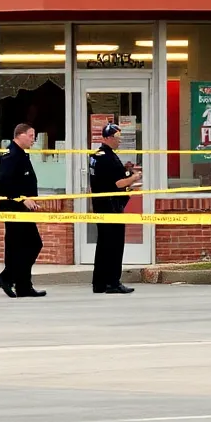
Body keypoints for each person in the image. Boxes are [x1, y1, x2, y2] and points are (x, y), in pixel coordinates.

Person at [0, 123, 46, 298]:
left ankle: (23, 285)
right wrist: (23, 198)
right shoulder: (12, 153)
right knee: (32, 244)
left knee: (21, 246)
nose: (34, 139)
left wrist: (30, 199)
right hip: (14, 207)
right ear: (20, 135)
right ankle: (7, 277)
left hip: (23, 207)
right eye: (31, 136)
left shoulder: (21, 154)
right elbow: (5, 181)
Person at [89, 122, 141, 294]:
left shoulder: (96, 155)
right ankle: (113, 282)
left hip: (101, 205)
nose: (119, 141)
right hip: (111, 206)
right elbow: (118, 183)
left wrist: (125, 172)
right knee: (114, 245)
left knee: (103, 245)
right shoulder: (108, 157)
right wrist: (134, 177)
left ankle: (99, 283)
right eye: (117, 138)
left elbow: (106, 179)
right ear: (108, 138)